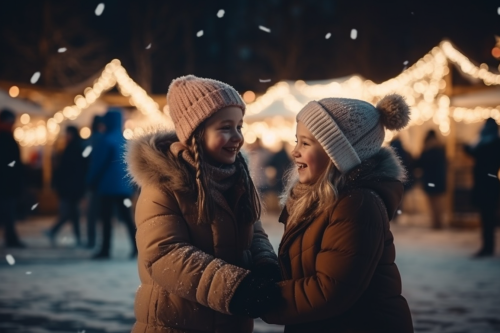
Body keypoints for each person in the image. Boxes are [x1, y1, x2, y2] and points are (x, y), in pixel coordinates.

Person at [126, 75, 280, 333]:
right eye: (225, 127)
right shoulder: (164, 185)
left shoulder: (236, 179)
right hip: (176, 324)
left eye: (239, 127)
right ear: (195, 133)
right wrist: (236, 288)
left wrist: (265, 264)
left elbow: (253, 230)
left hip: (231, 322)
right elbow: (164, 254)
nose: (237, 137)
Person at [261, 95, 414, 332]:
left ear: (338, 154)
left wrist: (264, 298)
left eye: (305, 143)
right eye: (296, 141)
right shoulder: (318, 199)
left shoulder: (355, 205)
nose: (294, 152)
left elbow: (330, 289)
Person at [86, 108, 137, 259]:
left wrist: (90, 180)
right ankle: (137, 247)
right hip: (124, 187)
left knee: (106, 218)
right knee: (127, 218)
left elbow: (98, 164)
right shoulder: (125, 140)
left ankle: (105, 249)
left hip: (107, 187)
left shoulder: (105, 140)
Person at [46, 126, 88, 246]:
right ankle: (75, 236)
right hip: (72, 187)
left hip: (72, 187)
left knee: (70, 212)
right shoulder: (74, 147)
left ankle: (55, 230)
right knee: (72, 212)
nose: (66, 136)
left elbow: (71, 170)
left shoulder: (74, 148)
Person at [464, 118, 500, 257]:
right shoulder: (492, 143)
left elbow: (474, 152)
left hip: (486, 185)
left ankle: (487, 247)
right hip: (489, 184)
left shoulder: (487, 144)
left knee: (487, 218)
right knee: (488, 217)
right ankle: (488, 246)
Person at [0, 108, 25, 248]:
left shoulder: (8, 137)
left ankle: (11, 238)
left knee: (9, 212)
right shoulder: (6, 138)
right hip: (7, 183)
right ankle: (11, 238)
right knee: (8, 212)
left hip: (8, 183)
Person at [415, 130, 447, 229]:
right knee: (438, 202)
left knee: (432, 202)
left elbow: (420, 163)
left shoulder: (427, 149)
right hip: (439, 179)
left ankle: (435, 223)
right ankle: (439, 222)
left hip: (429, 179)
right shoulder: (440, 148)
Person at [85, 115, 105, 249]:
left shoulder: (95, 140)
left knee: (92, 214)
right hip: (105, 184)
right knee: (102, 215)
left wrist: (89, 180)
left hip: (98, 183)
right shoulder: (103, 138)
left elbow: (91, 160)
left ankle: (92, 239)